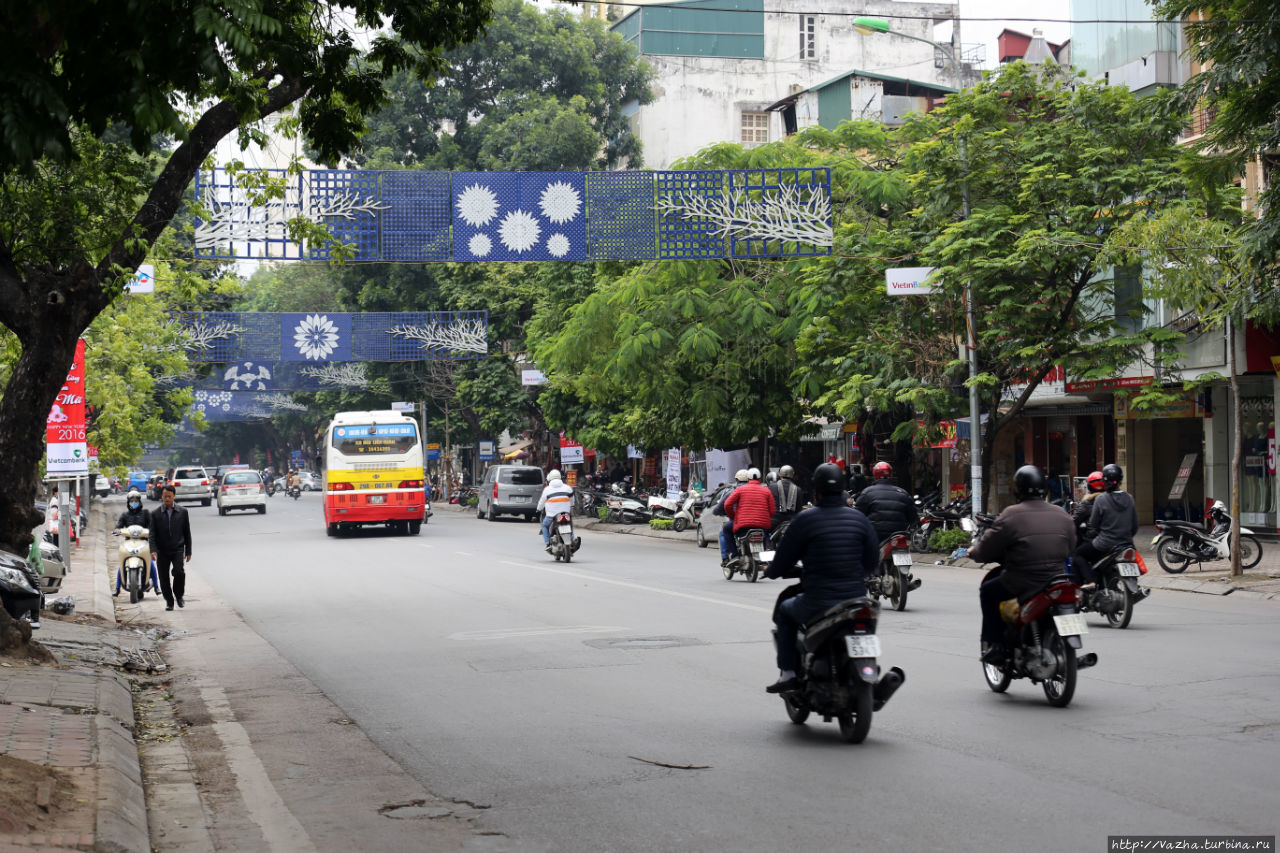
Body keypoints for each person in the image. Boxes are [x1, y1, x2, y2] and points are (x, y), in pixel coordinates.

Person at [762, 462, 879, 693]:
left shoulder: (805, 520)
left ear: (816, 491)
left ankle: (788, 673)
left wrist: (771, 571)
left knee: (785, 611)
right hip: (856, 598)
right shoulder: (860, 520)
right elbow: (872, 561)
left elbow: (783, 559)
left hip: (818, 600)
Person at [968, 465, 1076, 664]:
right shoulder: (1063, 514)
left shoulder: (1011, 514)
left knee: (988, 592)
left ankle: (995, 644)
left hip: (1023, 581)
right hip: (1058, 580)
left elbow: (986, 549)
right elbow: (1070, 547)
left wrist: (973, 552)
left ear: (1017, 489)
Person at [1074, 463, 1139, 586]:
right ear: (1120, 480)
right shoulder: (1130, 498)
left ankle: (1091, 581)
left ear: (1105, 481)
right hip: (1126, 544)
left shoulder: (1101, 499)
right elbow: (1135, 525)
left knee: (1078, 554)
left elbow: (1093, 524)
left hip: (1104, 544)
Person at [149, 485, 193, 611]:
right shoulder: (155, 514)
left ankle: (179, 595)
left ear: (174, 496)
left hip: (178, 548)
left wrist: (188, 551)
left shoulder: (183, 512)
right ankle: (169, 601)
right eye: (164, 496)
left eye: (169, 496)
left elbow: (187, 533)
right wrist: (153, 550)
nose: (166, 499)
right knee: (163, 577)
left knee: (179, 572)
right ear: (161, 497)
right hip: (162, 550)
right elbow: (152, 534)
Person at [113, 490, 159, 598]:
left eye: (136, 501)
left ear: (139, 502)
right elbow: (118, 526)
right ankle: (117, 588)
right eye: (131, 501)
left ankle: (157, 586)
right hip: (129, 542)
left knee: (151, 564)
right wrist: (116, 530)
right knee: (122, 564)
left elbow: (152, 526)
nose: (134, 503)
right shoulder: (125, 515)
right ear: (128, 502)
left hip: (143, 542)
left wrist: (153, 532)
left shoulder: (146, 513)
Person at [723, 467, 777, 558]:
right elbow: (772, 511)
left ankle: (735, 555)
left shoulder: (740, 490)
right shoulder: (766, 491)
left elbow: (727, 504)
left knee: (726, 530)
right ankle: (763, 556)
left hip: (742, 525)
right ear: (760, 479)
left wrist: (734, 517)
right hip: (762, 526)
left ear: (748, 479)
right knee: (766, 537)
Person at [713, 469, 750, 566]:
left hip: (740, 521)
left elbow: (724, 506)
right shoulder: (759, 490)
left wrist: (731, 515)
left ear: (737, 480)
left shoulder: (733, 492)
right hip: (759, 522)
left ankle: (729, 557)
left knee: (724, 531)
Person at [537, 469, 575, 552]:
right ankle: (573, 538)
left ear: (550, 479)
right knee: (570, 525)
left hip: (552, 515)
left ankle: (548, 543)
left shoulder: (547, 489)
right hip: (565, 513)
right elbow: (572, 500)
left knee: (544, 525)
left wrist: (538, 509)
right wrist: (571, 506)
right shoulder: (567, 488)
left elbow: (541, 502)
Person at [769, 465, 803, 532]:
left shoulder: (772, 487)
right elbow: (798, 510)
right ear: (792, 475)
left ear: (780, 474)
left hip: (774, 521)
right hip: (790, 522)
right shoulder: (798, 489)